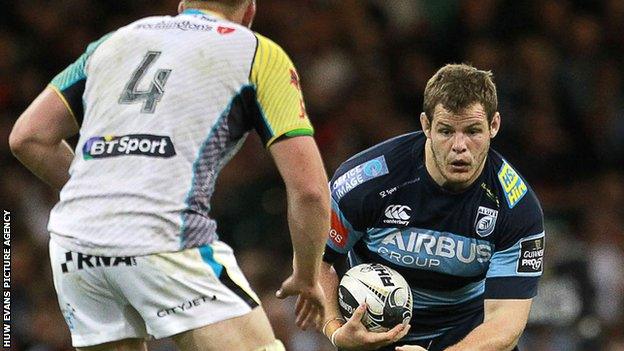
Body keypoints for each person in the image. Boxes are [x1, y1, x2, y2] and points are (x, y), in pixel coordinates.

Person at [9, 0, 330, 350]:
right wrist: (307, 274)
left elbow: (28, 136)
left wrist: (102, 191)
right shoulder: (258, 53)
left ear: (182, 5)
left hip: (74, 243)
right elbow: (310, 190)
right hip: (164, 235)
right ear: (249, 12)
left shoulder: (113, 41)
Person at [308, 64, 545, 351]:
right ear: (425, 125)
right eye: (446, 131)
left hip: (467, 340)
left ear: (494, 125)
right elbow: (315, 260)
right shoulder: (362, 182)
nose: (460, 146)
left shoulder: (517, 207)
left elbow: (505, 326)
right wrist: (336, 331)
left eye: (473, 131)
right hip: (372, 337)